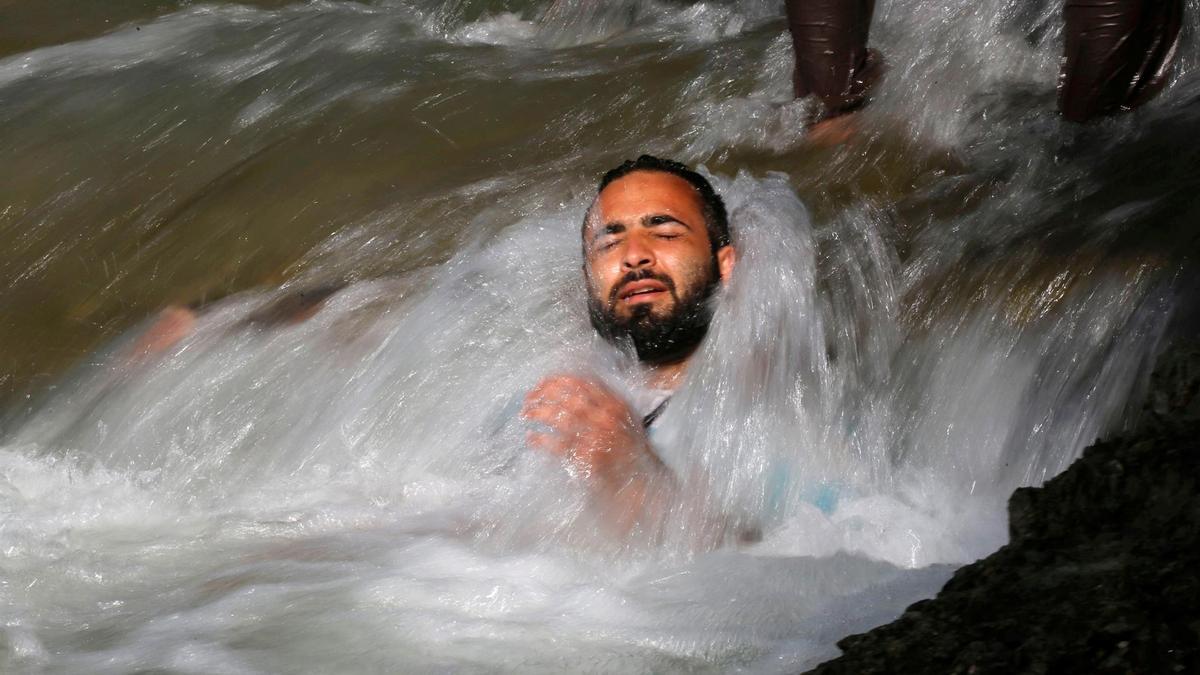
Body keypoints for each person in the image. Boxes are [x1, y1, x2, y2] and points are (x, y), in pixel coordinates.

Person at [520, 155, 744, 544]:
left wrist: (636, 477)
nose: (633, 256)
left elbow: (803, 567)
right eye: (609, 242)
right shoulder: (542, 406)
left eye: (665, 233)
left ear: (724, 264)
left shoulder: (775, 418)